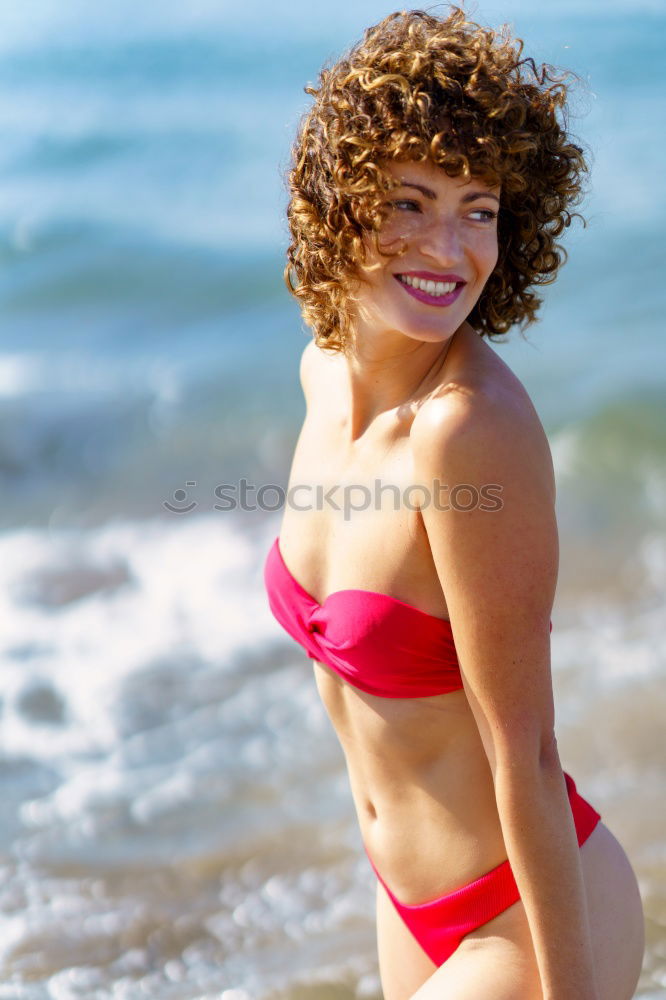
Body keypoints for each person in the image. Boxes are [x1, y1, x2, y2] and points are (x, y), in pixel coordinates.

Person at [264, 7, 645, 998]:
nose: (451, 247)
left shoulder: (467, 431)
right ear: (340, 199)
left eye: (480, 208)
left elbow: (528, 749)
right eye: (413, 201)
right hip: (407, 911)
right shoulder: (319, 376)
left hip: (518, 918)